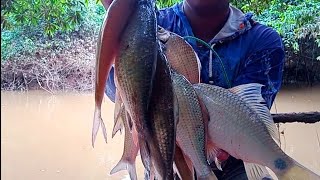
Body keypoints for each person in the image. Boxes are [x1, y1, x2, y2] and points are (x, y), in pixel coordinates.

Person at [104, 0, 285, 179]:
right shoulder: (153, 23)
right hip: (165, 160)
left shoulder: (262, 40)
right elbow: (114, 92)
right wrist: (119, 24)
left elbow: (250, 116)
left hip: (236, 163)